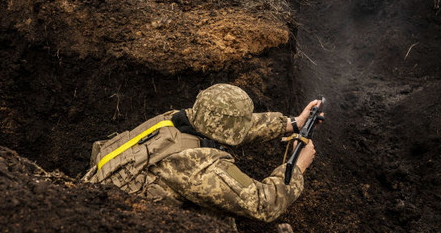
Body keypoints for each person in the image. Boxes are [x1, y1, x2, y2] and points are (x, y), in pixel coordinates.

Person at [82, 83, 322, 222]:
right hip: (115, 223)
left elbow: (232, 125)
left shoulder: (174, 120)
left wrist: (293, 123)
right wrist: (298, 167)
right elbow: (263, 204)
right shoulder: (199, 166)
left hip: (89, 193)